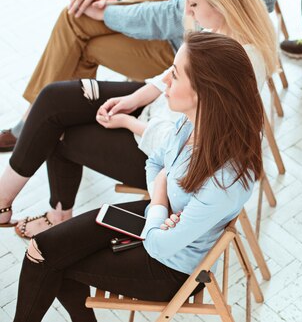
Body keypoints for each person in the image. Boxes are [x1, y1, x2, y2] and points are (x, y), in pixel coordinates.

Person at [0, 0, 277, 238]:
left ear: (221, 0)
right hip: (159, 111)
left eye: (193, 3)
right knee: (54, 98)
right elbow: (172, 73)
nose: (188, 12)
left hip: (162, 157)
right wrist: (135, 99)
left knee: (56, 131)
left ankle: (57, 215)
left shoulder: (235, 61)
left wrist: (128, 122)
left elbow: (183, 142)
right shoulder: (220, 29)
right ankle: (3, 200)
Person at [11, 32, 264, 322]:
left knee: (51, 261)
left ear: (203, 93)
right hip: (157, 222)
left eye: (175, 75)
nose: (164, 82)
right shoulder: (192, 123)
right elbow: (155, 162)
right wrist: (161, 205)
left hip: (168, 268)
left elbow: (159, 246)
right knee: (41, 248)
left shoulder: (227, 178)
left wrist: (159, 200)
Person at [0, 0, 280, 152]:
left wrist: (107, 12)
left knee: (83, 37)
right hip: (182, 37)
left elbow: (171, 17)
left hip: (182, 54)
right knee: (76, 15)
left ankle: (44, 123)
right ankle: (41, 119)